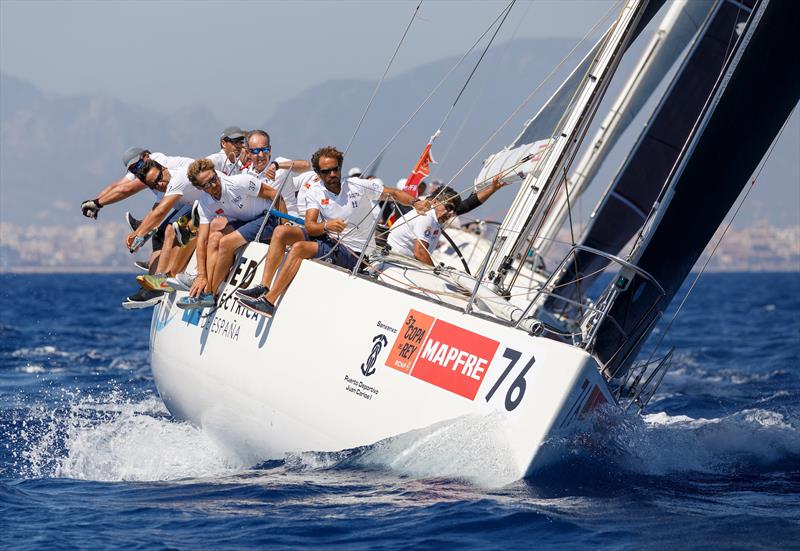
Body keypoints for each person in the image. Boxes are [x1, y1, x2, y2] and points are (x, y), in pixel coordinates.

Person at [238, 146, 418, 318]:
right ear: (318, 174)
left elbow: (393, 193)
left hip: (355, 252)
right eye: (326, 172)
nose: (332, 174)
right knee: (281, 231)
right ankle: (264, 286)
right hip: (330, 237)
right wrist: (326, 226)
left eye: (335, 169)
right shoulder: (315, 191)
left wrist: (415, 203)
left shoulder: (357, 185)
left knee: (300, 248)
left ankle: (268, 302)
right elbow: (310, 226)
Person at [178, 158, 280, 309]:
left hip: (267, 218)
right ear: (200, 188)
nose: (214, 184)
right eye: (207, 184)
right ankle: (206, 289)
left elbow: (275, 194)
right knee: (214, 238)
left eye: (214, 178)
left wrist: (284, 227)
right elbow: (202, 241)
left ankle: (210, 294)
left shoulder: (238, 182)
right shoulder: (205, 203)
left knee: (226, 242)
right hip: (246, 222)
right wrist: (201, 275)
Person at [386, 186, 461, 265]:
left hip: (402, 260)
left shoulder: (435, 219)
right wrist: (434, 273)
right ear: (435, 202)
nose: (451, 213)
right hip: (393, 260)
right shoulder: (427, 215)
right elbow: (420, 252)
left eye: (455, 210)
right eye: (449, 207)